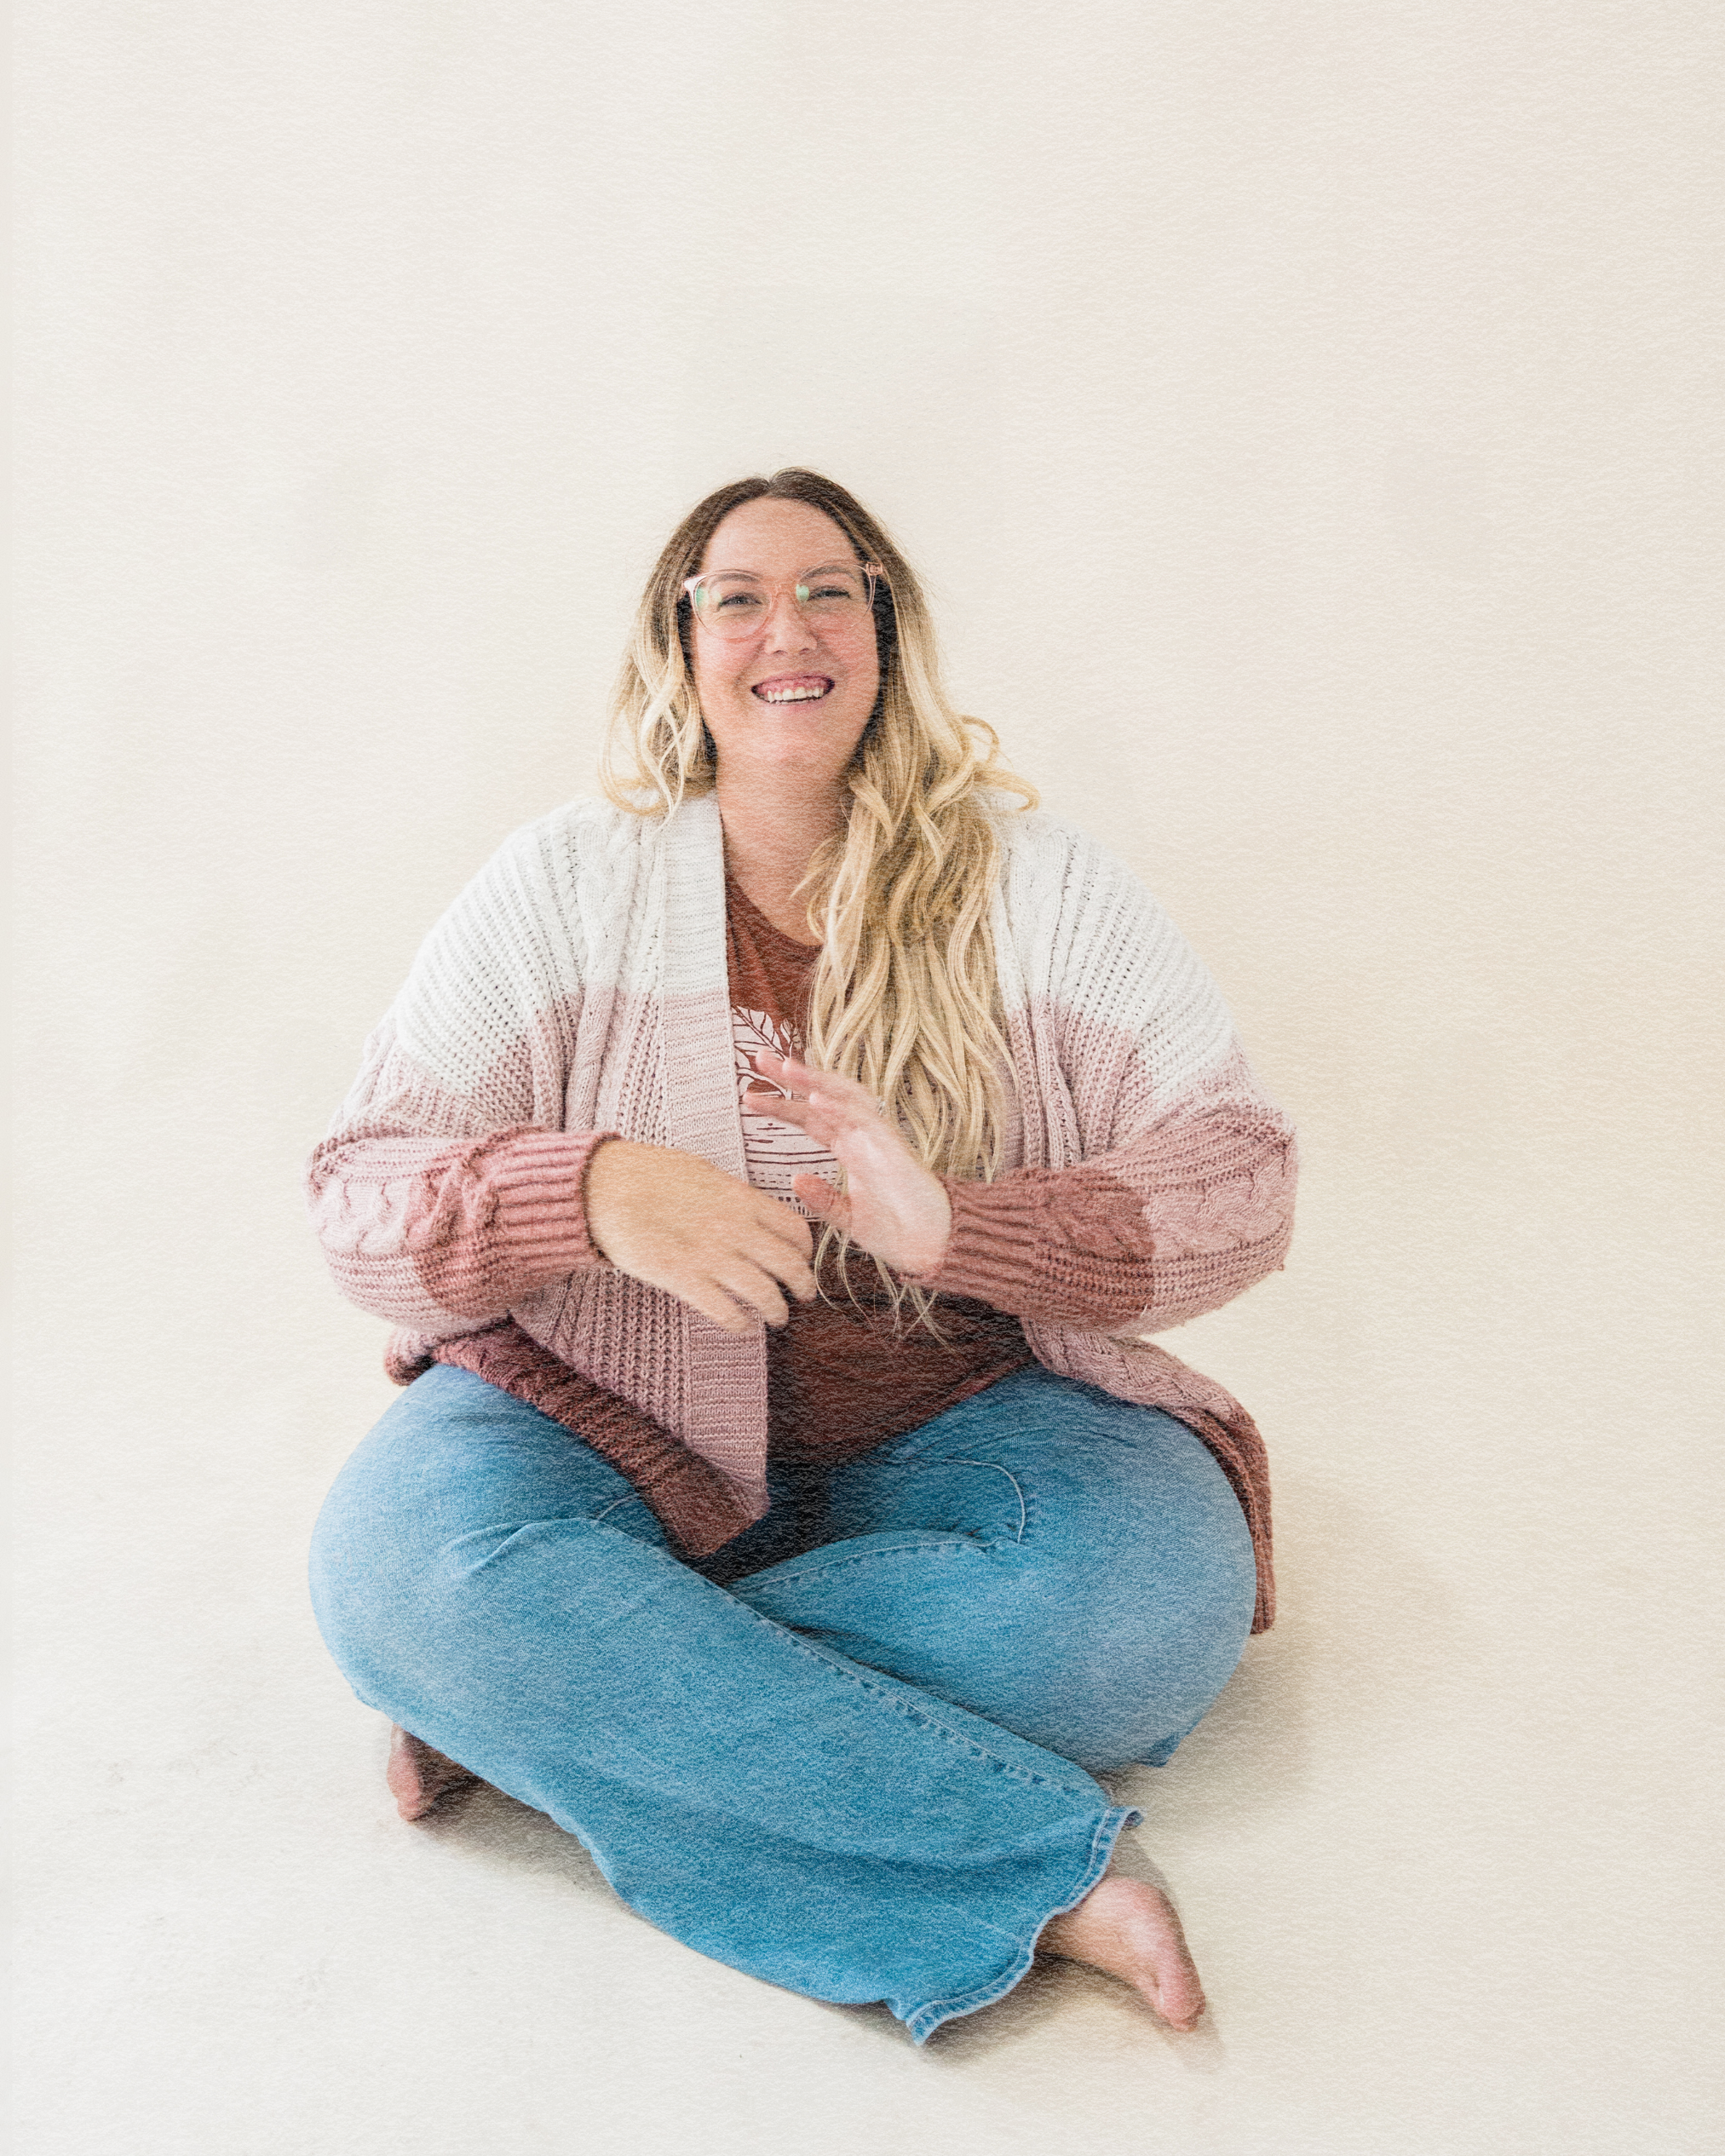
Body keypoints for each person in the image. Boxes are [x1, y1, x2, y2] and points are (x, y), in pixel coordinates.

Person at [306, 469, 1297, 2044]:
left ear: (887, 635)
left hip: (963, 1411)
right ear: (679, 643)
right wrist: (600, 1188)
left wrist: (963, 1229)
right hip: (588, 1408)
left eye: (833, 589)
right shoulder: (565, 882)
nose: (792, 627)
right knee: (389, 1577)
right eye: (739, 594)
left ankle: (541, 1697)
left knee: (1145, 1618)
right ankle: (1029, 1869)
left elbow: (1239, 1178)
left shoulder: (1035, 887)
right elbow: (358, 1194)